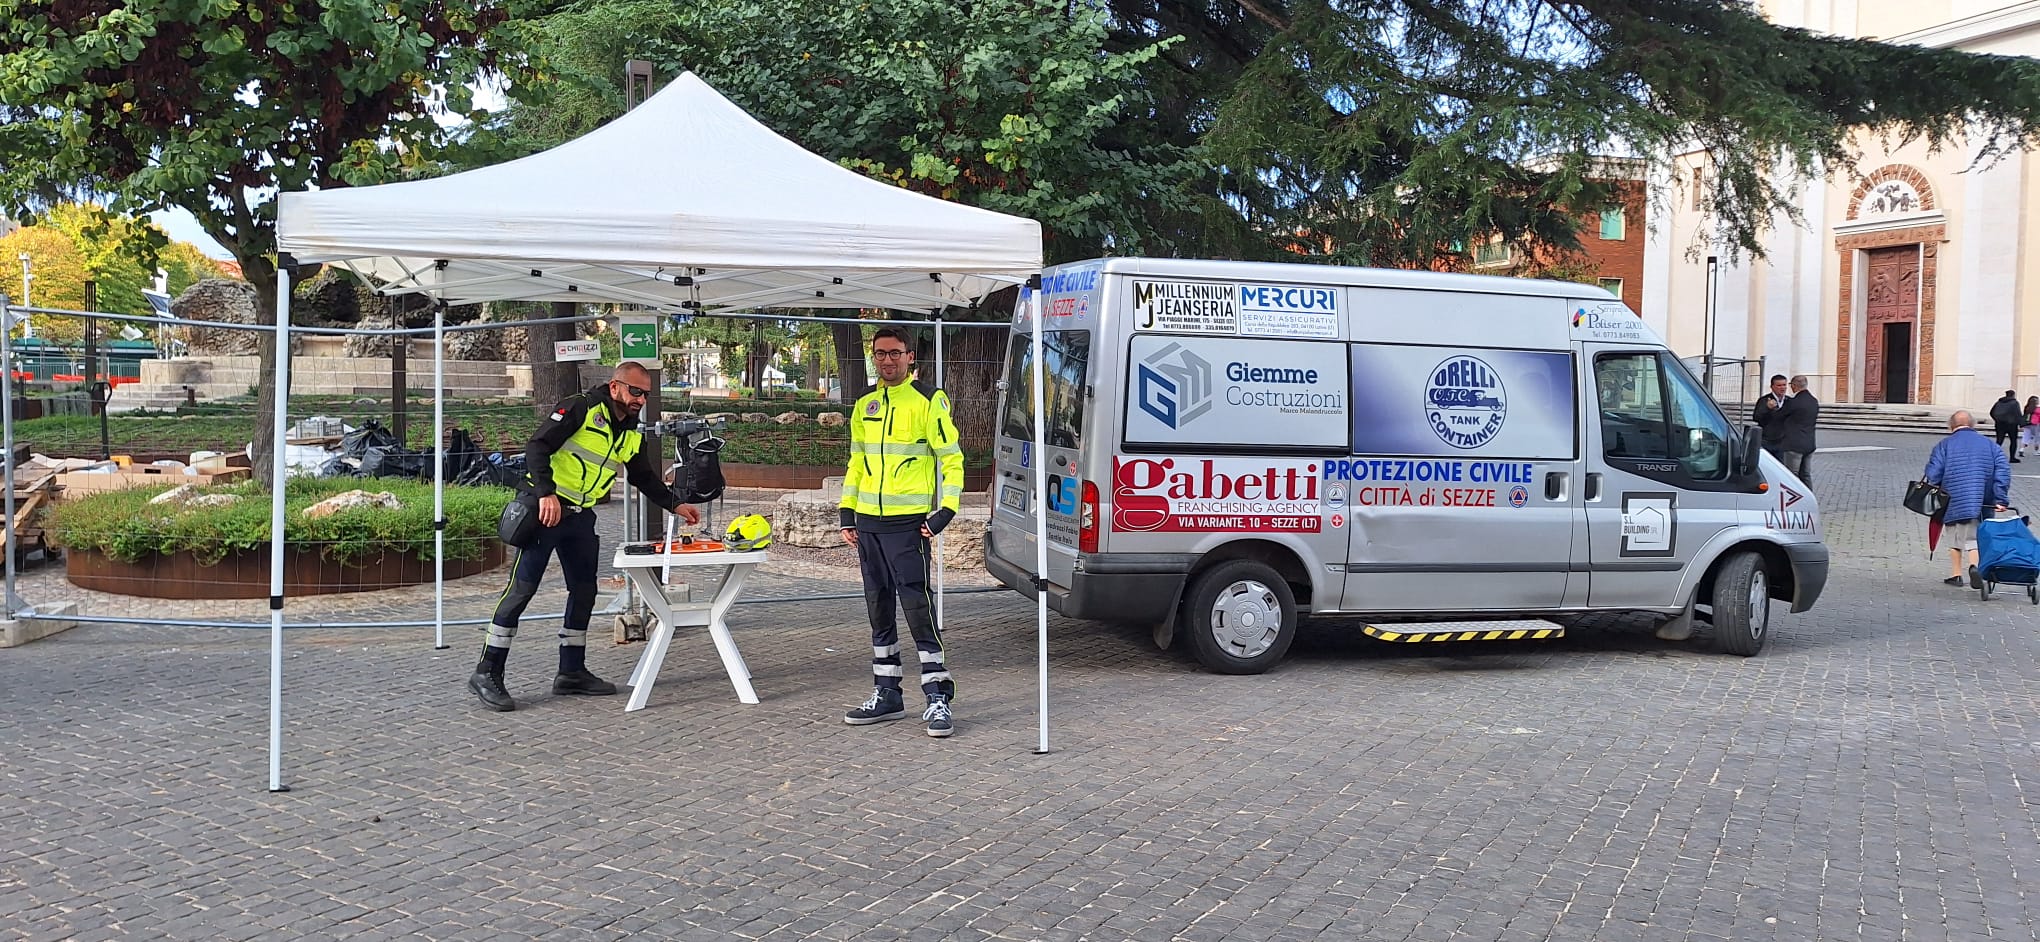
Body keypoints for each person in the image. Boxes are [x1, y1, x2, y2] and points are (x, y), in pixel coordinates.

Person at [468, 361, 702, 712]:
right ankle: (487, 670)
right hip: (546, 510)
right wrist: (546, 493)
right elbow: (537, 447)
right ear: (615, 387)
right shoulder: (581, 407)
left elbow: (643, 476)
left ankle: (571, 671)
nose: (640, 399)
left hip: (579, 517)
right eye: (635, 391)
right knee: (522, 589)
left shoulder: (630, 430)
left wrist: (676, 505)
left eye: (646, 395)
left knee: (584, 591)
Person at [838, 327, 965, 738]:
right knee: (878, 609)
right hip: (868, 525)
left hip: (909, 525)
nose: (887, 361)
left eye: (894, 353)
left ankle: (937, 696)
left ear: (910, 357)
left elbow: (951, 458)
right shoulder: (864, 403)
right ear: (873, 358)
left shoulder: (929, 400)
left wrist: (947, 510)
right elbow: (857, 462)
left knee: (916, 607)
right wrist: (846, 511)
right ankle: (887, 694)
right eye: (879, 354)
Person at [1924, 410, 2011, 588]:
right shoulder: (1991, 445)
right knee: (1975, 536)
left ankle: (1956, 575)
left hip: (1952, 498)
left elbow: (1933, 475)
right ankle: (1975, 566)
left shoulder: (1944, 445)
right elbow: (2002, 472)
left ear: (1951, 426)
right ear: (1972, 425)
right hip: (1982, 499)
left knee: (1955, 535)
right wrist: (2000, 499)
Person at [1989, 389, 2024, 464]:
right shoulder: (2014, 403)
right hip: (2011, 425)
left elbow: (1991, 412)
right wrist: (2021, 423)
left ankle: (1993, 457)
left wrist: (1997, 419)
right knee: (2013, 441)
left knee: (1999, 441)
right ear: (2013, 395)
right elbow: (2018, 413)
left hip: (2000, 424)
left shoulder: (1998, 402)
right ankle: (2012, 457)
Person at [2022, 395, 2040, 459]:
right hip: (2035, 424)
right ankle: (2036, 451)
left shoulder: (2027, 408)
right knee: (2037, 438)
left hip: (2027, 424)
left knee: (2026, 436)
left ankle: (2022, 449)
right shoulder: (2038, 409)